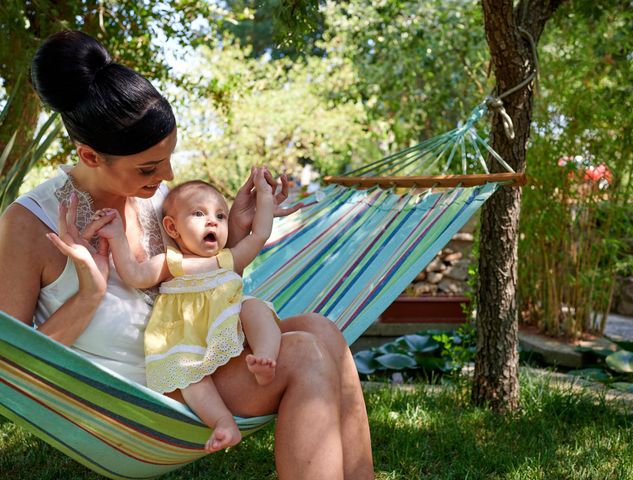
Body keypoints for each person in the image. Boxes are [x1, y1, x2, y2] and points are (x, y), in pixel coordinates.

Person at [0, 30, 374, 479]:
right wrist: (89, 295)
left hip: (197, 361)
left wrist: (236, 226)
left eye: (168, 158)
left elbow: (200, 280)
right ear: (89, 155)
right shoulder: (28, 226)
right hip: (142, 398)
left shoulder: (156, 204)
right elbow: (10, 366)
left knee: (321, 331)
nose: (167, 176)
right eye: (149, 167)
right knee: (303, 356)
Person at [81, 173, 281, 452]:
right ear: (172, 228)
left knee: (254, 307)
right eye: (199, 214)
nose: (213, 221)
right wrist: (116, 237)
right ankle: (223, 423)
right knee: (189, 378)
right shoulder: (170, 263)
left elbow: (260, 233)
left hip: (227, 324)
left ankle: (265, 358)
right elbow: (136, 275)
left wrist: (265, 196)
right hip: (187, 340)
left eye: (220, 216)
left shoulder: (228, 258)